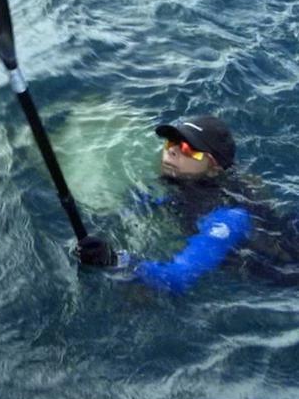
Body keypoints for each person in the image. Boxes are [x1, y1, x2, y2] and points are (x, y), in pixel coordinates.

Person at [78, 113, 299, 291]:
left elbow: (178, 277)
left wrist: (116, 261)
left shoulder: (229, 216)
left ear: (214, 166)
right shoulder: (174, 183)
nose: (173, 151)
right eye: (171, 143)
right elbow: (133, 208)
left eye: (187, 149)